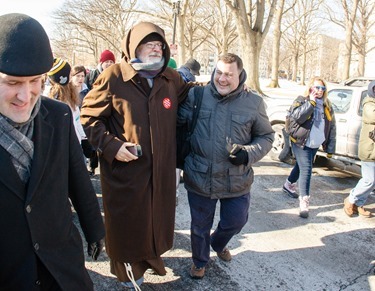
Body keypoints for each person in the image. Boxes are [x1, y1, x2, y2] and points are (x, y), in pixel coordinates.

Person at [80, 22, 192, 289]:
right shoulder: (114, 77)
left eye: (159, 45)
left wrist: (230, 90)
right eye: (148, 44)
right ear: (134, 47)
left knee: (154, 221)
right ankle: (130, 277)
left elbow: (192, 95)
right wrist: (111, 146)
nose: (156, 49)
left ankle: (151, 260)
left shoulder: (170, 78)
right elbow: (89, 118)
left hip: (161, 172)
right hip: (126, 172)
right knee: (128, 229)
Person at [0, 13, 105, 290]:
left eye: (35, 81)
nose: (26, 96)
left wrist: (95, 230)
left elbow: (77, 177)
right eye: (12, 83)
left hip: (61, 266)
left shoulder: (57, 115)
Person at [177, 53, 274, 279]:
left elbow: (266, 137)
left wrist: (247, 153)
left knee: (236, 221)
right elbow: (173, 118)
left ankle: (218, 243)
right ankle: (199, 261)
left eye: (229, 74)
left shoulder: (254, 102)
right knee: (199, 226)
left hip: (237, 178)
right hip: (200, 174)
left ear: (239, 75)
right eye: (218, 72)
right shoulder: (196, 95)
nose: (222, 78)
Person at [282, 76, 336, 218]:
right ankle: (304, 202)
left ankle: (288, 184)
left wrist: (329, 146)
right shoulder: (301, 100)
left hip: (315, 143)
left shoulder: (327, 105)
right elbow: (298, 117)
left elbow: (332, 127)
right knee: (307, 169)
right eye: (317, 87)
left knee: (301, 166)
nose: (319, 90)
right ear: (310, 87)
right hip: (300, 141)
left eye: (322, 88)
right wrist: (311, 103)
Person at [343, 80, 375, 218]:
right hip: (369, 149)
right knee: (369, 180)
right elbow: (372, 116)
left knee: (373, 181)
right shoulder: (369, 103)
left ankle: (358, 203)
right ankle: (351, 199)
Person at [85, 50, 116, 175]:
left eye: (111, 61)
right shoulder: (92, 75)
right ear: (101, 63)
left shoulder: (117, 75)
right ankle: (93, 165)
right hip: (97, 111)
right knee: (96, 141)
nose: (109, 64)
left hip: (112, 114)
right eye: (106, 61)